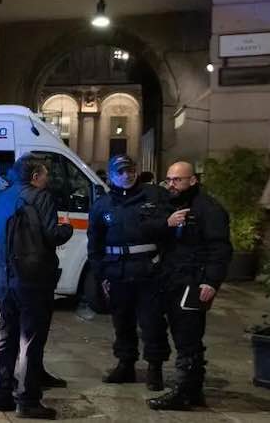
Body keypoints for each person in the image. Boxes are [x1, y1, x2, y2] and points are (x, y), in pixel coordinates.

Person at [0, 154, 74, 419]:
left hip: (5, 279)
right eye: (46, 175)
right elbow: (51, 234)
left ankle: (0, 395)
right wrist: (67, 229)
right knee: (31, 341)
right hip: (34, 281)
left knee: (4, 336)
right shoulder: (41, 197)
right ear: (35, 176)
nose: (47, 180)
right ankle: (28, 400)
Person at [148, 161, 232, 410]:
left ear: (192, 180)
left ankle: (185, 392)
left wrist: (211, 281)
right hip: (171, 278)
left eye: (177, 180)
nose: (171, 184)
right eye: (169, 180)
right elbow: (148, 230)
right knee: (180, 335)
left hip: (194, 281)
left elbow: (220, 249)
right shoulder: (170, 205)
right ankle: (191, 391)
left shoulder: (209, 209)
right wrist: (167, 223)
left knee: (188, 338)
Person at [87, 154, 172, 391]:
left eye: (130, 170)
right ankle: (126, 364)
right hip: (117, 273)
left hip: (148, 271)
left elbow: (170, 231)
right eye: (121, 172)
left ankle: (155, 368)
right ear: (112, 175)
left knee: (152, 323)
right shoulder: (102, 205)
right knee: (122, 322)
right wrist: (101, 273)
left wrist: (164, 266)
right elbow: (94, 244)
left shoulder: (154, 196)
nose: (127, 175)